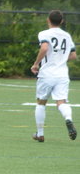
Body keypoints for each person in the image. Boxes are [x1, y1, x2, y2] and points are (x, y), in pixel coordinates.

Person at [31, 10, 77, 142]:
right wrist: (60, 59)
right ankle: (68, 119)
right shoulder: (67, 36)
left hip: (47, 74)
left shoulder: (44, 33)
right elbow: (73, 55)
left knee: (41, 102)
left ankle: (40, 134)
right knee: (61, 102)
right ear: (61, 21)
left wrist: (36, 64)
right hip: (62, 74)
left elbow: (44, 48)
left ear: (48, 20)